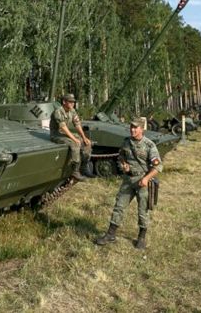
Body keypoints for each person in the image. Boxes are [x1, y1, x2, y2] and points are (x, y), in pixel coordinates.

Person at [95, 117, 163, 250]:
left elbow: (158, 166)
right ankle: (111, 234)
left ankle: (141, 237)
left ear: (141, 129)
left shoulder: (149, 145)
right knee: (119, 206)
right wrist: (123, 164)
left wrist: (146, 179)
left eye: (135, 128)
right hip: (128, 180)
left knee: (142, 210)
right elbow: (121, 156)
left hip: (142, 181)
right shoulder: (126, 142)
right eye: (131, 127)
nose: (132, 130)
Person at [50, 93, 92, 181]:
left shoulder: (72, 111)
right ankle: (75, 171)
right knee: (74, 144)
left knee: (87, 143)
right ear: (64, 102)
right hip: (57, 134)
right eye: (70, 102)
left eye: (73, 102)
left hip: (65, 133)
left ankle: (84, 166)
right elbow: (63, 127)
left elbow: (77, 125)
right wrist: (74, 139)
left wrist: (84, 137)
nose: (73, 104)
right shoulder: (58, 111)